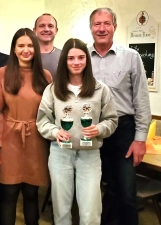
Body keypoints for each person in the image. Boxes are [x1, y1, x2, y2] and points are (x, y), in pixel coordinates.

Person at [37, 38, 118, 225]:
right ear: (64, 61)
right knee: (61, 209)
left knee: (90, 211)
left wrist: (99, 128)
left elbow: (112, 120)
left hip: (90, 155)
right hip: (60, 154)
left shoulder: (100, 89)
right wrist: (55, 131)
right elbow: (42, 120)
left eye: (81, 57)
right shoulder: (53, 90)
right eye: (71, 58)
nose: (76, 62)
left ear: (87, 60)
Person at [88, 8, 151, 225]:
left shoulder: (131, 57)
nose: (102, 28)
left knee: (125, 192)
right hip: (94, 131)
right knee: (99, 190)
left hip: (124, 131)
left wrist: (140, 139)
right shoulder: (81, 57)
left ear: (114, 26)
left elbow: (141, 99)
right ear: (91, 28)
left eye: (107, 23)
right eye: (97, 24)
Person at [0, 28, 52, 225]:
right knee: (7, 194)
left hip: (37, 142)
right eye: (21, 45)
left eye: (30, 45)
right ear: (14, 49)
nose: (26, 50)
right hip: (9, 142)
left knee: (32, 194)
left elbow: (51, 112)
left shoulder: (46, 76)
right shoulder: (2, 74)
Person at [33, 13, 61, 79]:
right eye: (42, 26)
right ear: (34, 30)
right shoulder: (26, 55)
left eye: (50, 26)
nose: (46, 29)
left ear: (56, 31)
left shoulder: (65, 55)